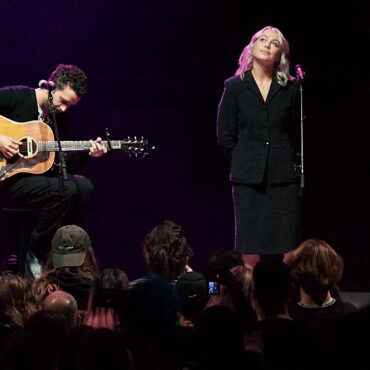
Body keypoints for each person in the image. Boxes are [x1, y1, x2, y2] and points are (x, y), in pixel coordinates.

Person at [0, 64, 107, 277]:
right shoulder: (17, 96)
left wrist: (88, 152)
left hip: (26, 182)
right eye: (63, 102)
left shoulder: (58, 119)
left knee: (83, 187)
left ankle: (63, 254)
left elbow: (58, 163)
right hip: (5, 183)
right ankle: (34, 252)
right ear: (50, 87)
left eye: (71, 106)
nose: (65, 109)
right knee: (63, 189)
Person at [217, 26, 301, 267]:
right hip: (248, 179)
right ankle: (251, 300)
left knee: (288, 244)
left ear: (280, 55)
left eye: (274, 43)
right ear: (251, 48)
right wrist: (245, 160)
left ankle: (286, 299)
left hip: (283, 177)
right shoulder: (234, 87)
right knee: (250, 244)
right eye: (262, 40)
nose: (267, 45)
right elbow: (225, 136)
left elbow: (297, 132)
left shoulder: (291, 88)